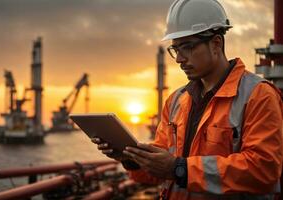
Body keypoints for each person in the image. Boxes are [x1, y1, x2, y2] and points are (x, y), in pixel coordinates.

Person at [91, 0, 283, 199]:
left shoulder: (258, 95)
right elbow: (160, 172)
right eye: (175, 49)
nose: (179, 59)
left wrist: (180, 169)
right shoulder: (176, 101)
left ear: (216, 43)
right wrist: (131, 159)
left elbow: (263, 170)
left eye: (187, 47)